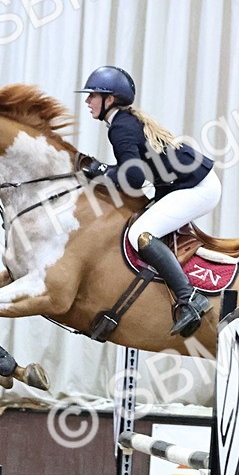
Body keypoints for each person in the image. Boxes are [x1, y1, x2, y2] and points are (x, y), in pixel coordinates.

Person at [75, 66, 219, 338]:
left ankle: (189, 299)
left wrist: (102, 171)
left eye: (93, 95)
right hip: (184, 184)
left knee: (140, 233)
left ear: (110, 99)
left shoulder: (120, 126)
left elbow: (134, 175)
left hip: (197, 188)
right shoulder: (124, 121)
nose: (87, 101)